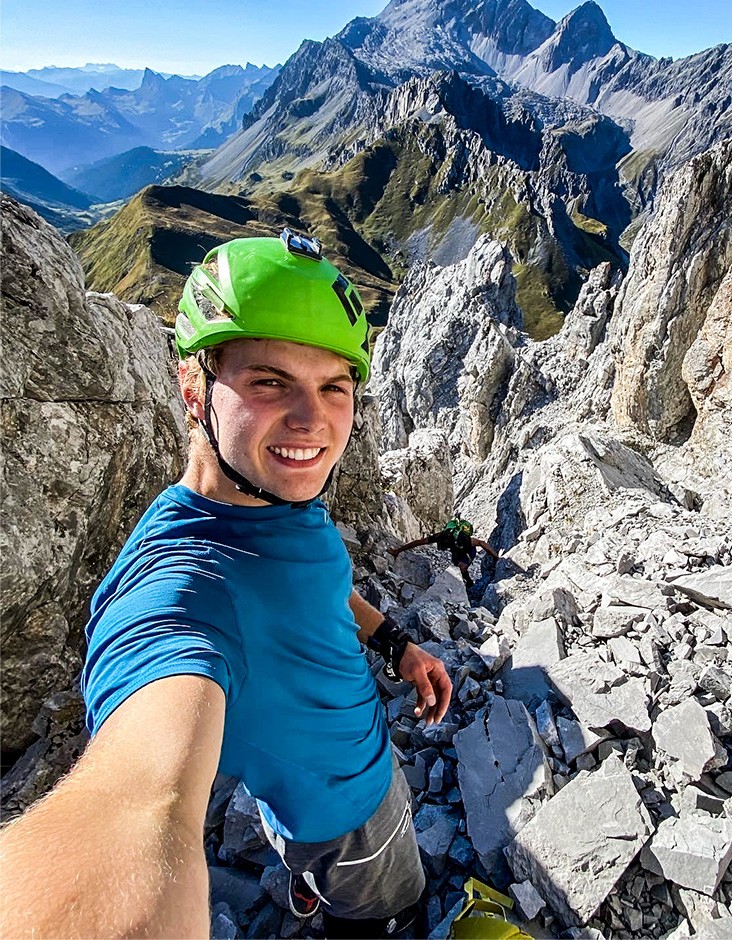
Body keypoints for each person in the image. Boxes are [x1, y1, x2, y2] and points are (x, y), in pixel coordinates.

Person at [0, 229, 452, 939]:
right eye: (269, 381)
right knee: (390, 908)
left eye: (333, 386)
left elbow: (320, 582)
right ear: (192, 389)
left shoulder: (274, 492)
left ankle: (307, 883)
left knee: (314, 864)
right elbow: (139, 800)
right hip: (352, 818)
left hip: (316, 787)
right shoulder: (183, 592)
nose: (311, 421)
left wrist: (395, 643)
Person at [390, 517, 498, 589]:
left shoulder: (462, 538)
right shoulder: (439, 536)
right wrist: (398, 551)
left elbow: (481, 543)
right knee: (457, 568)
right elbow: (418, 542)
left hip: (469, 550)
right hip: (457, 550)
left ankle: (465, 586)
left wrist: (496, 557)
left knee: (461, 568)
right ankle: (468, 582)